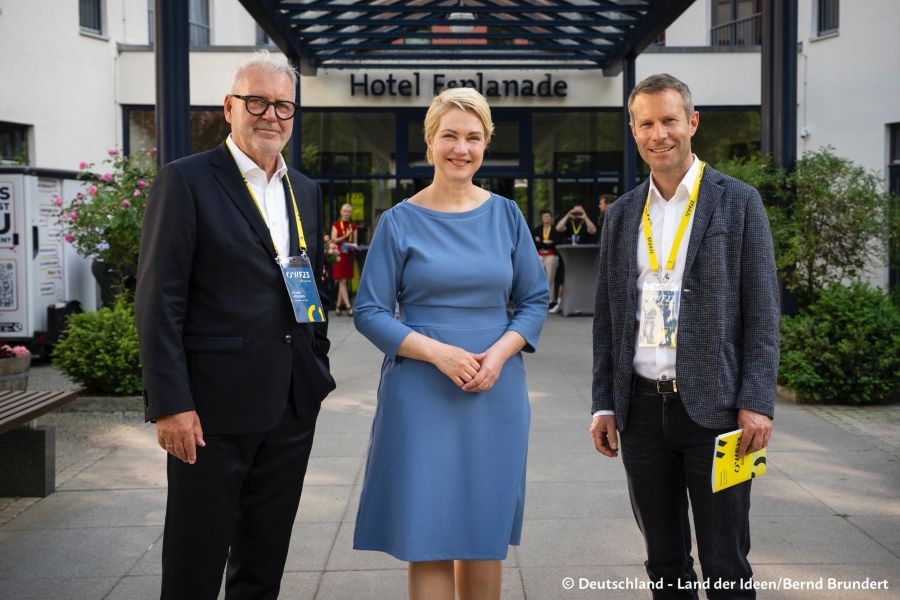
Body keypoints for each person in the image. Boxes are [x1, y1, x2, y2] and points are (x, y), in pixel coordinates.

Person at [135, 51, 335, 599]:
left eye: (283, 105)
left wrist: (315, 363)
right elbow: (158, 300)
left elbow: (305, 284)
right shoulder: (187, 181)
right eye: (257, 101)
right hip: (210, 410)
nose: (271, 114)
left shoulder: (306, 190)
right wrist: (171, 403)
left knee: (263, 560)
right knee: (194, 561)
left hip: (291, 403)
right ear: (230, 107)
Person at [352, 87, 548, 600]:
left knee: (483, 533)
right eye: (450, 136)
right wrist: (437, 352)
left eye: (473, 137)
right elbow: (369, 310)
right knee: (429, 532)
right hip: (419, 392)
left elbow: (533, 299)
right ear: (430, 142)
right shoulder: (398, 222)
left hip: (494, 391)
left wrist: (500, 353)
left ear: (485, 144)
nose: (461, 148)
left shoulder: (508, 216)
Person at [590, 73, 779, 598]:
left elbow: (763, 312)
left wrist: (756, 401)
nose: (659, 134)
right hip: (642, 414)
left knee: (726, 563)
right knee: (664, 561)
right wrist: (603, 404)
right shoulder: (623, 214)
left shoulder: (739, 202)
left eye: (669, 120)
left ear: (692, 122)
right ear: (633, 130)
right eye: (646, 123)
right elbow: (608, 319)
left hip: (720, 414)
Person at [549, 204, 598, 313]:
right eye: (575, 212)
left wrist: (584, 216)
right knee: (563, 279)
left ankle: (582, 303)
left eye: (579, 212)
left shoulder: (585, 222)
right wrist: (568, 215)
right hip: (568, 258)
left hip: (583, 257)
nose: (577, 215)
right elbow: (558, 228)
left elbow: (593, 230)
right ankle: (560, 303)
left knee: (584, 279)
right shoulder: (569, 223)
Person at [330, 202, 358, 315]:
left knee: (343, 282)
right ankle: (348, 306)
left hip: (348, 256)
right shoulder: (336, 225)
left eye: (349, 212)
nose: (347, 213)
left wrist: (352, 246)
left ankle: (337, 306)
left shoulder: (353, 227)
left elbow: (355, 243)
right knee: (342, 281)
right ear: (341, 212)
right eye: (345, 211)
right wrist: (346, 236)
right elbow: (334, 240)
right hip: (338, 256)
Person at [533, 209, 561, 308]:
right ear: (541, 218)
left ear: (551, 218)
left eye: (548, 216)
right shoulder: (537, 229)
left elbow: (556, 243)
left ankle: (550, 301)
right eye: (544, 216)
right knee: (539, 278)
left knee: (550, 278)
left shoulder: (555, 229)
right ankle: (539, 299)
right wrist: (546, 243)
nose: (546, 218)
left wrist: (543, 243)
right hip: (540, 255)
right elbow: (536, 243)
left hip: (551, 256)